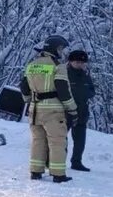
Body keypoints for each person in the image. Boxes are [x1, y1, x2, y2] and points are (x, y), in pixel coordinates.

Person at [20, 34, 78, 183]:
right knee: (57, 141)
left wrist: (29, 100)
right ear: (55, 49)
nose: (62, 52)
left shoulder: (32, 65)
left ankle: (35, 172)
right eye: (61, 48)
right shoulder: (57, 66)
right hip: (53, 111)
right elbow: (63, 89)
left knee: (37, 140)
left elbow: (24, 87)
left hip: (34, 109)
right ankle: (58, 174)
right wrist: (72, 108)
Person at [66, 49, 95, 171]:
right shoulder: (64, 73)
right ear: (71, 62)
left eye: (83, 63)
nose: (81, 65)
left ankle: (77, 161)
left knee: (80, 140)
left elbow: (92, 91)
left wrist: (86, 94)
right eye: (78, 62)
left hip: (82, 111)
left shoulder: (85, 75)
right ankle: (57, 160)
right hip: (66, 111)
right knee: (61, 138)